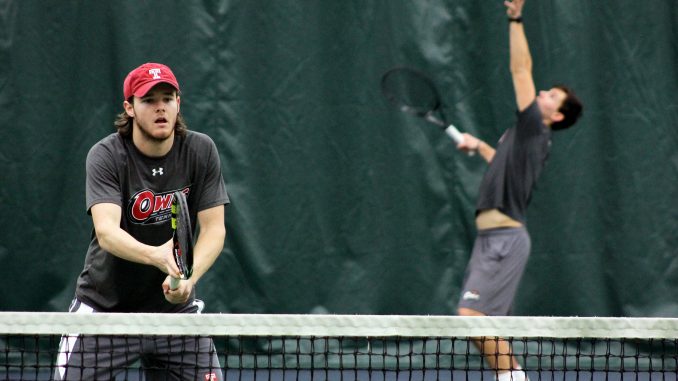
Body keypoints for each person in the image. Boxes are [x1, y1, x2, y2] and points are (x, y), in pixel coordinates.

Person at [55, 62, 229, 381]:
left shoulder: (201, 150)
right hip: (105, 311)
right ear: (130, 107)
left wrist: (189, 280)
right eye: (149, 100)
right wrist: (158, 256)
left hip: (174, 316)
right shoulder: (106, 155)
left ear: (179, 103)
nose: (160, 107)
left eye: (168, 98)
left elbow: (215, 229)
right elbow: (107, 231)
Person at [454, 1, 583, 380]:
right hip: (489, 237)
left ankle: (513, 378)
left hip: (505, 240)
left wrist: (515, 18)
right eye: (545, 91)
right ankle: (510, 377)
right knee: (479, 324)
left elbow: (520, 68)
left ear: (555, 116)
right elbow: (501, 164)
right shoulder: (525, 138)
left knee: (471, 317)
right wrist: (478, 146)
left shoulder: (534, 127)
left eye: (550, 96)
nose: (541, 93)